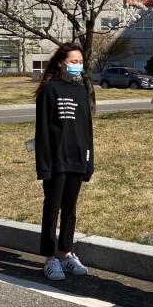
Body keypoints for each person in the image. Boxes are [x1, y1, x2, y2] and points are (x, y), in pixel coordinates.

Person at [34, 43, 93, 281]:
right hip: (56, 160)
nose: (77, 65)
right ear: (61, 62)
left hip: (77, 158)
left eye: (80, 62)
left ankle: (67, 253)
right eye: (73, 61)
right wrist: (44, 165)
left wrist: (89, 160)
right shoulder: (49, 90)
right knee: (52, 207)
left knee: (70, 208)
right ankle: (50, 258)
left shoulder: (81, 90)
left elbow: (87, 129)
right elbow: (42, 132)